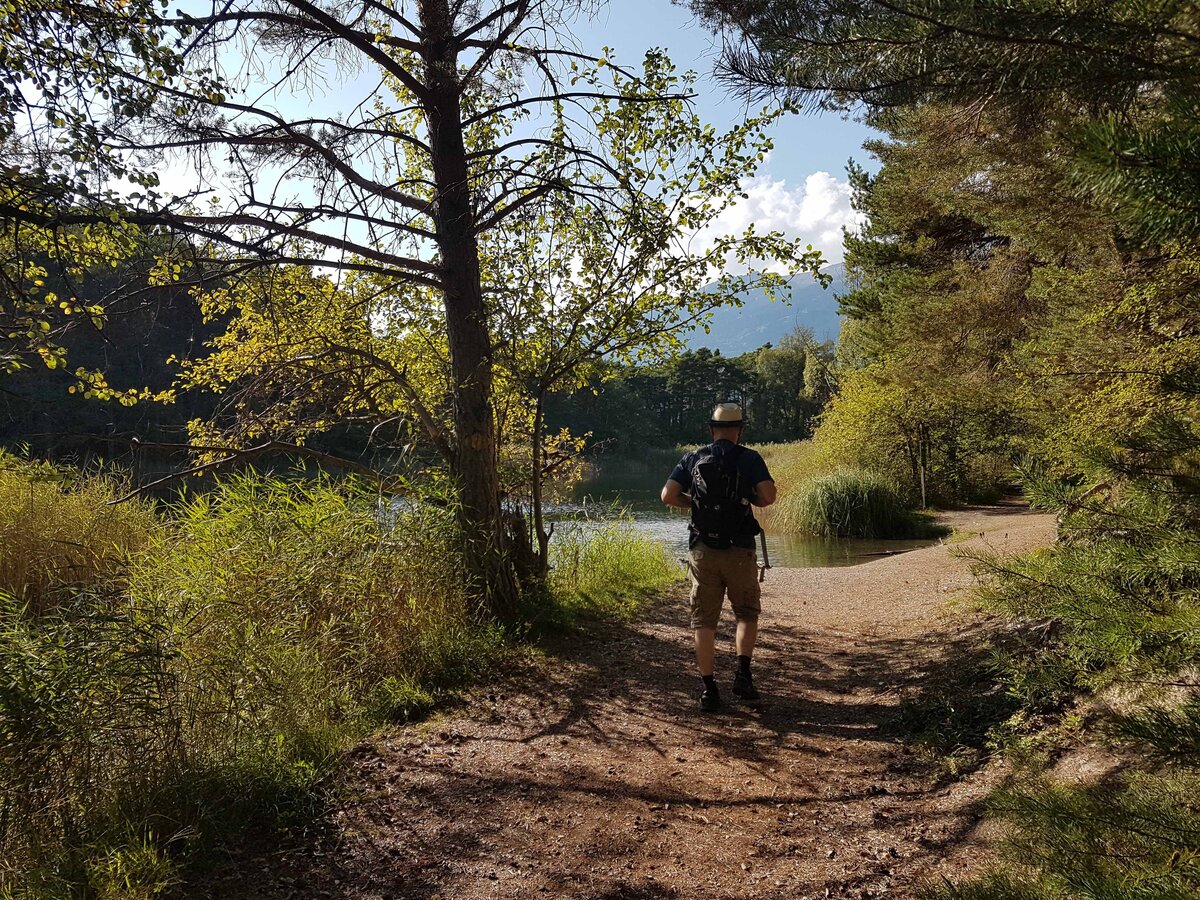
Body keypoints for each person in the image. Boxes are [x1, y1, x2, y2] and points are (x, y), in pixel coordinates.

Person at [661, 402, 777, 712]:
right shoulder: (750, 458)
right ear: (740, 430)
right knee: (746, 613)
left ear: (712, 429)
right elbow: (768, 496)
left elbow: (667, 495)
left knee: (703, 620)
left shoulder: (693, 458)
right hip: (740, 549)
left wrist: (695, 503)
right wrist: (747, 497)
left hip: (703, 550)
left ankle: (709, 690)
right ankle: (743, 675)